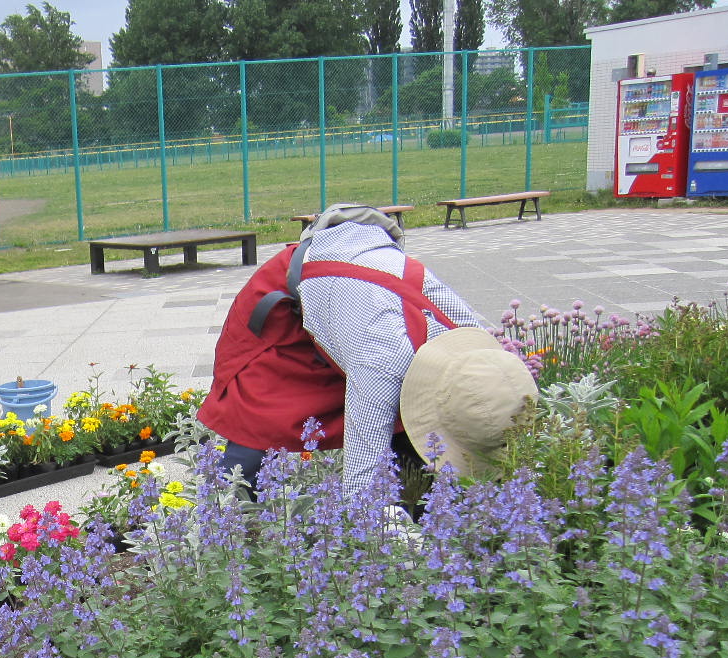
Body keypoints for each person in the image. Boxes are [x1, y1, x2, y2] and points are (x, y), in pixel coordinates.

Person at [197, 203, 536, 500]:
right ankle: (222, 513)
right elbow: (361, 488)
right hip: (284, 307)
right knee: (261, 416)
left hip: (361, 300)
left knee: (406, 420)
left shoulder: (468, 338)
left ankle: (420, 493)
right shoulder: (381, 363)